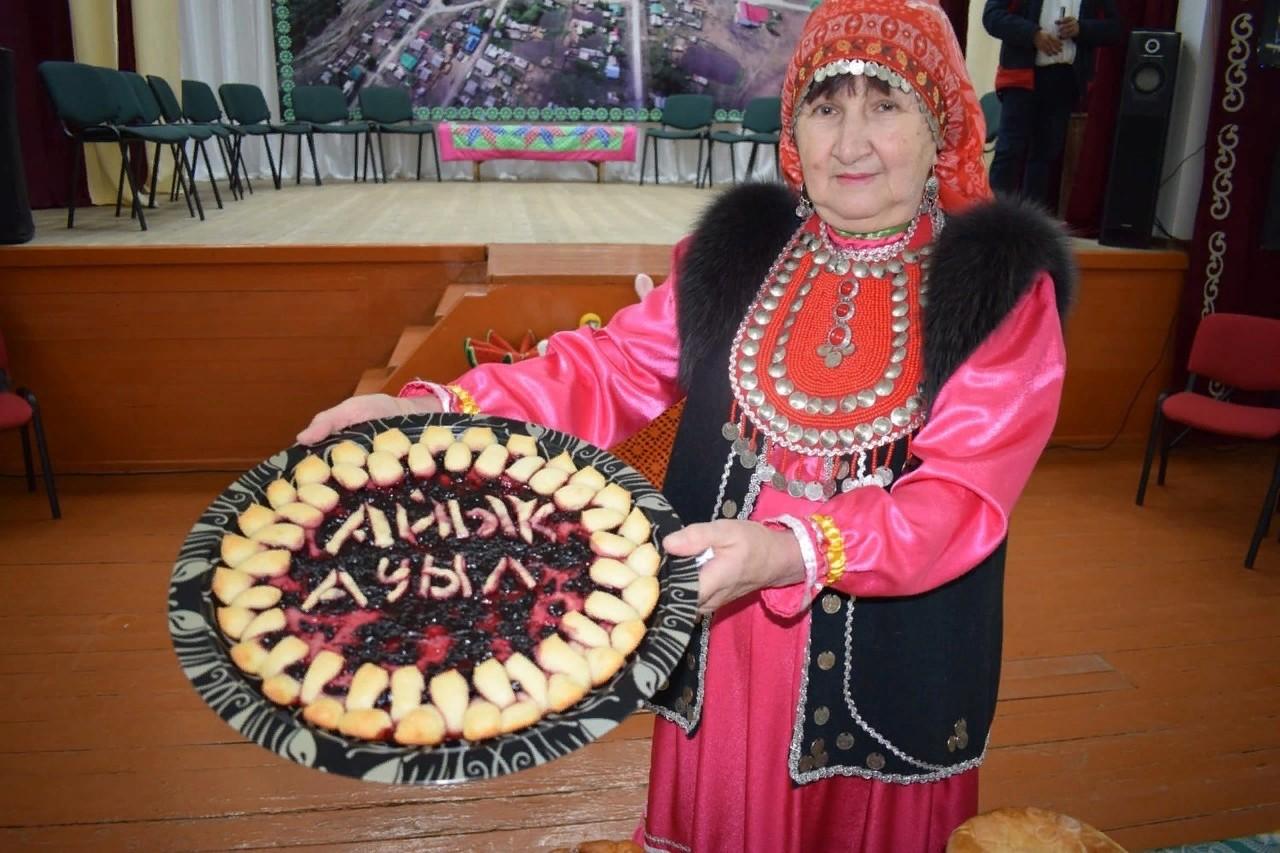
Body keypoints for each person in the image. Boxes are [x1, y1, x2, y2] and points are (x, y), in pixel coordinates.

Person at [297, 1, 1076, 848]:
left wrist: (790, 549)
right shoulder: (741, 255)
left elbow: (959, 498)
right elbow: (609, 367)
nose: (850, 144)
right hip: (727, 643)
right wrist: (436, 412)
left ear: (941, 127)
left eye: (884, 106)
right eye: (825, 107)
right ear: (793, 127)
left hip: (892, 662)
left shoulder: (998, 296)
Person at [983, 0, 1124, 205]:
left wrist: (1081, 28)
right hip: (1021, 77)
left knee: (1044, 156)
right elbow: (992, 17)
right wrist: (1033, 35)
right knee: (1009, 151)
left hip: (1065, 80)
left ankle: (1031, 221)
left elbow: (1114, 28)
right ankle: (993, 219)